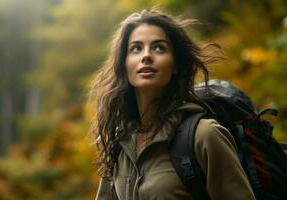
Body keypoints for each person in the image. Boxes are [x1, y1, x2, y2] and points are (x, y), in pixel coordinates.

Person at [89, 9, 255, 200]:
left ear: (176, 65)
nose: (146, 56)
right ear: (124, 65)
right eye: (136, 48)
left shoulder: (204, 136)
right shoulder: (120, 144)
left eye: (159, 48)